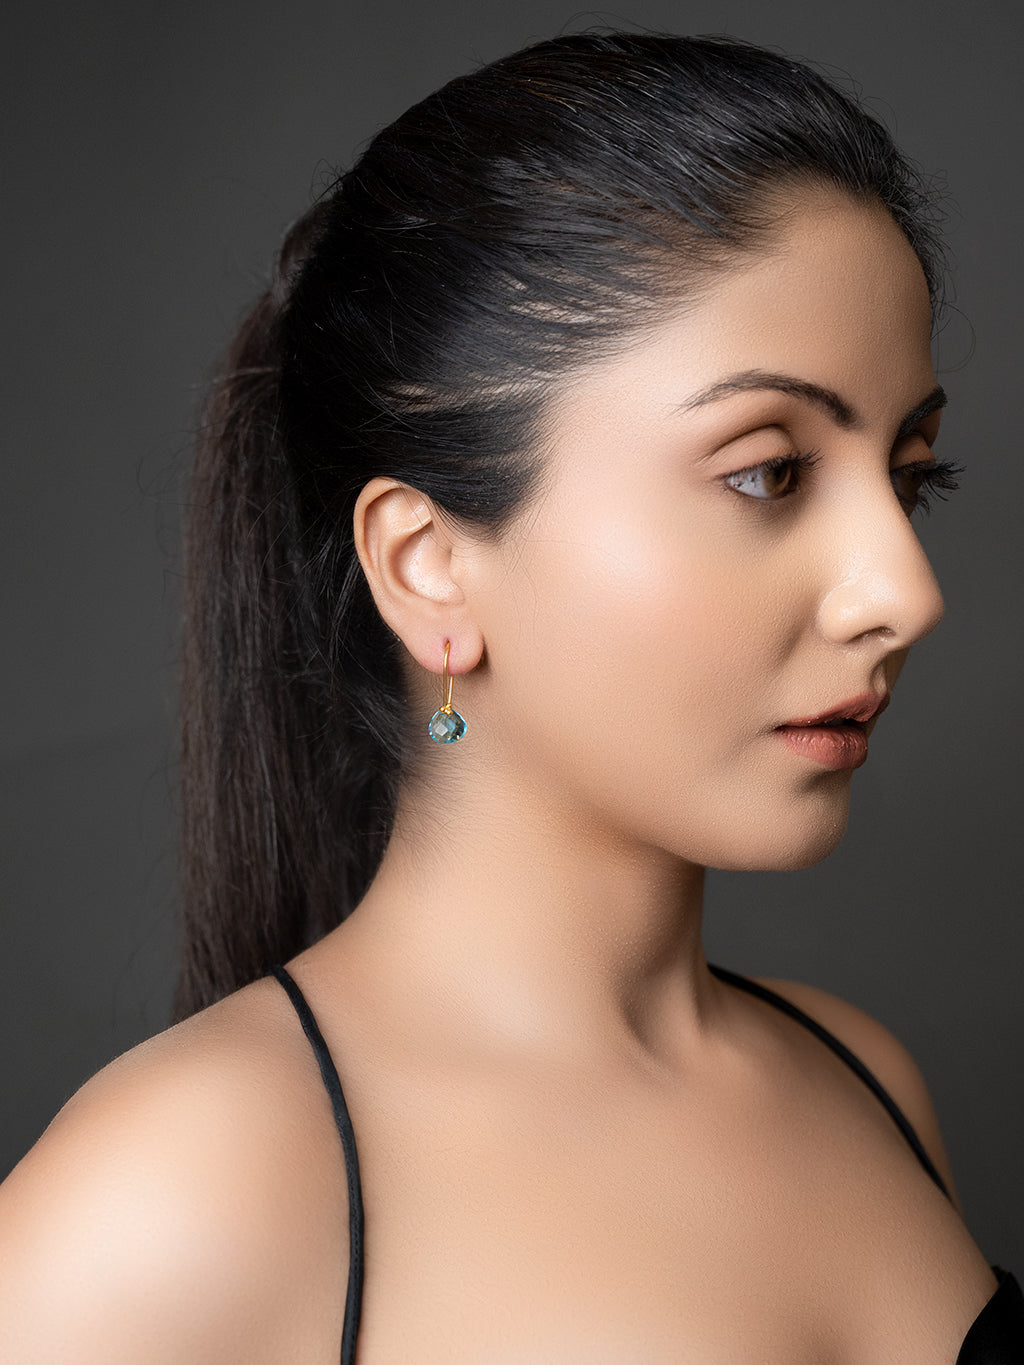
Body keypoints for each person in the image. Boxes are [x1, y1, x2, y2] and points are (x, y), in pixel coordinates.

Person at [1, 29, 1021, 1363]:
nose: (905, 591)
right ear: (427, 564)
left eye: (909, 476)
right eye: (768, 472)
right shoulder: (180, 1197)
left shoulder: (866, 1079)